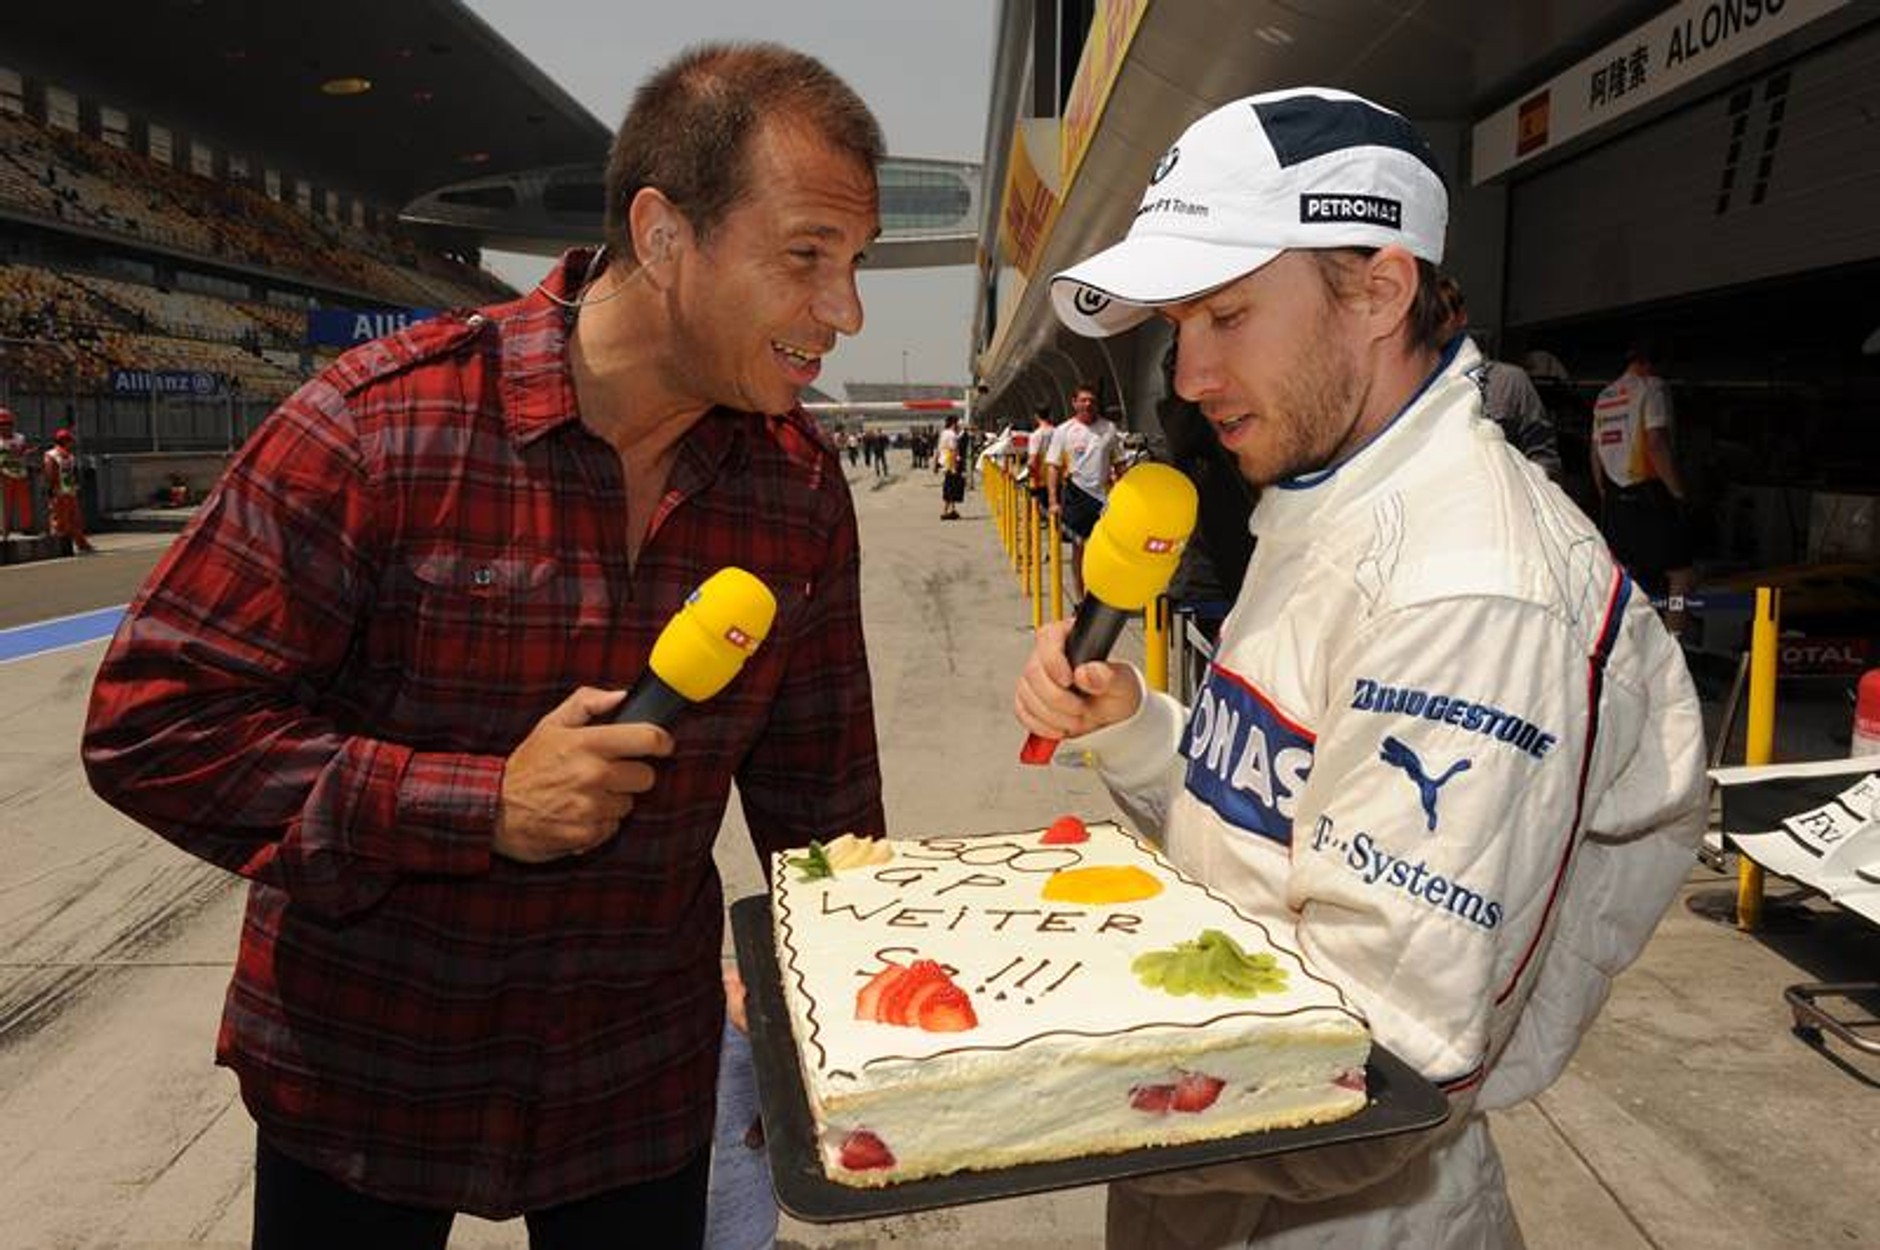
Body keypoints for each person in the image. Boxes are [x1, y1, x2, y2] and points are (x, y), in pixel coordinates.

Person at [83, 42, 887, 1250]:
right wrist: (475, 802)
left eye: (855, 264)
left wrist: (845, 1008)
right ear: (663, 234)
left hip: (635, 1091)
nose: (846, 312)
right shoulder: (373, 425)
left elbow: (822, 809)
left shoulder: (798, 493)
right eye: (805, 258)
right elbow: (151, 720)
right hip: (361, 1077)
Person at [1017, 87, 1706, 1250]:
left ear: (1379, 290)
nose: (1185, 374)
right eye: (1176, 324)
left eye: (1225, 315)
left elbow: (1381, 1060)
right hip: (1200, 1182)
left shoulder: (1471, 585)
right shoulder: (1326, 489)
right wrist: (1136, 726)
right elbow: (1290, 812)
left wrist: (996, 1092)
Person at [1591, 341, 1695, 636]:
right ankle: (1674, 646)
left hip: (1614, 498)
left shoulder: (1605, 395)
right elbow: (1656, 441)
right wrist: (1679, 493)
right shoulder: (1652, 387)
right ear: (1652, 363)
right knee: (1681, 576)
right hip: (1651, 493)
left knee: (1627, 576)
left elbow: (1595, 452)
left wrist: (1605, 496)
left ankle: (1625, 642)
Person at [1435, 275, 1562, 481]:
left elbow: (1545, 460)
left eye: (1439, 313)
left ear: (1461, 317)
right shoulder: (1411, 388)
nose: (1432, 324)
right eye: (1422, 317)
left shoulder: (1509, 382)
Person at [1045, 383, 1122, 600]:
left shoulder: (1109, 429)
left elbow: (1120, 464)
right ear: (1074, 403)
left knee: (1105, 550)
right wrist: (1053, 501)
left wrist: (1124, 496)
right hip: (1076, 497)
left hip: (1104, 499)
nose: (1087, 404)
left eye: (1091, 400)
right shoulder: (1063, 431)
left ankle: (1102, 595)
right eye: (1083, 400)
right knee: (1079, 550)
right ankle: (1081, 599)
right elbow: (1053, 466)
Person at [43, 426, 92, 552]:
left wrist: (75, 486)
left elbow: (72, 474)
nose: (72, 444)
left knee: (75, 519)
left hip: (69, 492)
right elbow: (49, 474)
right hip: (59, 493)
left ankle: (81, 543)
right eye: (69, 441)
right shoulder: (51, 455)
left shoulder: (69, 456)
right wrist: (52, 491)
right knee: (60, 521)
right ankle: (60, 546)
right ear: (64, 441)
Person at [0, 407, 34, 538]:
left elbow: (24, 451)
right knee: (4, 504)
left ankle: (27, 527)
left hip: (20, 473)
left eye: (7, 424)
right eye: (2, 424)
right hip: (4, 475)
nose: (5, 427)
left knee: (24, 502)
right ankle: (4, 529)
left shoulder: (20, 438)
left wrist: (28, 453)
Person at [937, 412, 964, 519]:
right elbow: (952, 451)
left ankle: (953, 510)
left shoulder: (944, 433)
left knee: (951, 488)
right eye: (957, 423)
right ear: (953, 423)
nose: (958, 425)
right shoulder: (952, 435)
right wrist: (953, 466)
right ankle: (945, 512)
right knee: (950, 488)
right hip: (950, 463)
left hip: (944, 463)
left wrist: (936, 464)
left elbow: (939, 449)